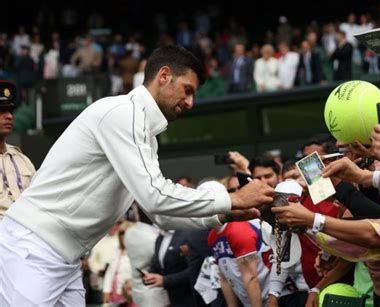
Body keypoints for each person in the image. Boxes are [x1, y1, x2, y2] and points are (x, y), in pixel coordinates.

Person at [0, 45, 273, 306]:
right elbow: (155, 198)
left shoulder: (141, 130)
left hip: (62, 257)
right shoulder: (124, 113)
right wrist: (232, 200)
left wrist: (223, 215)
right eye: (187, 90)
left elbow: (162, 216)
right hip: (32, 248)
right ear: (163, 76)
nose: (191, 103)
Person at [0, 81, 35, 221]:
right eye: (1, 111)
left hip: (25, 235)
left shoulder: (23, 161)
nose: (9, 116)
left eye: (10, 111)